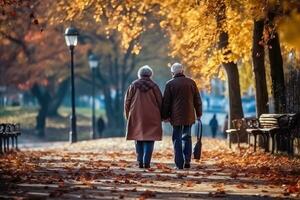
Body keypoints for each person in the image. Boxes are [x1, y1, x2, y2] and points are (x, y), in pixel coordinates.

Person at [162, 63, 202, 169]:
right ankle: (187, 160)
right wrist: (199, 114)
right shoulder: (191, 83)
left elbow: (166, 102)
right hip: (189, 115)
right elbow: (197, 100)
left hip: (175, 117)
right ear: (182, 71)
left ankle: (179, 163)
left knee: (177, 138)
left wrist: (165, 116)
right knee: (187, 137)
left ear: (172, 73)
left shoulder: (170, 84)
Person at [124, 65, 163, 169]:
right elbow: (160, 102)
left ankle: (140, 161)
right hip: (152, 116)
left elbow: (127, 101)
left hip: (136, 115)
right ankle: (147, 162)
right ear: (150, 75)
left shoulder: (133, 85)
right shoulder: (154, 86)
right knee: (150, 139)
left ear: (139, 74)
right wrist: (163, 116)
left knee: (138, 138)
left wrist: (128, 115)